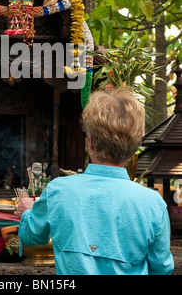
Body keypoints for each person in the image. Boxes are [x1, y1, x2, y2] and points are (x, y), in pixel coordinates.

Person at [16, 88, 174, 275]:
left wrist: (27, 213)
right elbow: (162, 268)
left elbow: (32, 237)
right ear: (135, 146)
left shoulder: (58, 190)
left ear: (89, 141)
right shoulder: (153, 204)